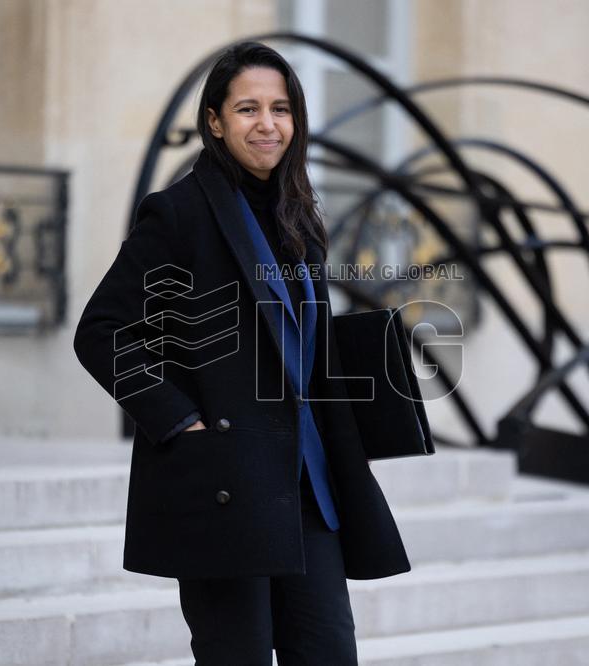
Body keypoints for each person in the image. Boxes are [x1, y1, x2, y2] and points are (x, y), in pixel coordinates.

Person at [73, 40, 410, 665]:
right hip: (224, 483)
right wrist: (180, 420)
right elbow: (101, 331)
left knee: (330, 649)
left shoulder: (299, 217)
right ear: (215, 122)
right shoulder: (178, 213)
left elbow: (301, 343)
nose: (267, 124)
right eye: (248, 108)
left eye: (281, 109)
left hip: (308, 485)